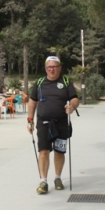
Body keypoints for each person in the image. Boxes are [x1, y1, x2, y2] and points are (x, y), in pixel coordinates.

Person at [26, 56, 80, 194]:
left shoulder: (66, 82)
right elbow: (32, 102)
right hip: (43, 123)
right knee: (43, 152)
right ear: (45, 69)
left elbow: (74, 99)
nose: (52, 69)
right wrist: (30, 120)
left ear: (60, 68)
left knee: (59, 151)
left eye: (55, 67)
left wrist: (72, 107)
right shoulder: (39, 83)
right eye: (49, 67)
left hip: (61, 123)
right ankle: (43, 181)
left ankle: (58, 178)